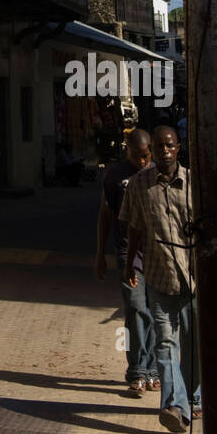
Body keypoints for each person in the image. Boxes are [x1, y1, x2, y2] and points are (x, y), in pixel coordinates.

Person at [120, 125, 200, 433]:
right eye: (160, 146)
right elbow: (135, 229)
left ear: (178, 148)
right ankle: (173, 407)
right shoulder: (138, 185)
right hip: (158, 275)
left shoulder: (194, 183)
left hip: (192, 277)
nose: (165, 150)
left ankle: (192, 397)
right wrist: (128, 266)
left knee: (192, 344)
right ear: (153, 149)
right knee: (166, 344)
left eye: (170, 145)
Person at [95, 128, 159, 397]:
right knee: (135, 308)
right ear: (127, 151)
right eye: (136, 157)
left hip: (157, 254)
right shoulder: (114, 175)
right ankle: (136, 370)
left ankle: (152, 369)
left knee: (155, 314)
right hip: (127, 253)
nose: (142, 162)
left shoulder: (159, 172)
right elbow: (105, 215)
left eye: (145, 157)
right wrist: (100, 255)